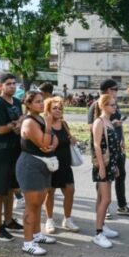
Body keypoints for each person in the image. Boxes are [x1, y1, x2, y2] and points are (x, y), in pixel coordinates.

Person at [17, 91, 58, 255]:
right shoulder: (29, 122)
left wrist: (52, 144)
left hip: (43, 164)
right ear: (28, 104)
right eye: (37, 102)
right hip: (30, 165)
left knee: (38, 203)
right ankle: (27, 243)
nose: (41, 104)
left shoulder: (41, 118)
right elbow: (43, 141)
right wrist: (48, 128)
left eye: (42, 101)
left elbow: (52, 140)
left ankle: (37, 234)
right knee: (31, 205)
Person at [88, 79, 129, 216]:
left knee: (120, 175)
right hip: (104, 151)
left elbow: (118, 124)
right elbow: (93, 128)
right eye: (114, 89)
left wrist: (122, 139)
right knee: (103, 179)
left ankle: (122, 205)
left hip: (117, 147)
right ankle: (104, 208)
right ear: (107, 90)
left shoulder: (114, 105)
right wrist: (109, 124)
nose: (117, 91)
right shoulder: (96, 105)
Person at [0, 73, 24, 241]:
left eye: (14, 83)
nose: (12, 86)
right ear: (0, 86)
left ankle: (9, 220)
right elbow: (0, 129)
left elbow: (21, 123)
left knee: (11, 188)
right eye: (8, 84)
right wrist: (16, 124)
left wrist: (17, 124)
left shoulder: (17, 102)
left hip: (15, 151)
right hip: (0, 152)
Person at [43, 96, 80, 234]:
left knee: (70, 190)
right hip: (51, 164)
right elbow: (44, 144)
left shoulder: (63, 123)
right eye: (55, 108)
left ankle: (67, 219)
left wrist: (72, 139)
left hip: (65, 164)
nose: (58, 110)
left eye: (60, 108)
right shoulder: (45, 125)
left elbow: (68, 138)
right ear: (48, 110)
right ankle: (49, 220)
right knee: (50, 192)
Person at [91, 94, 122, 248]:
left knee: (101, 198)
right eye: (111, 105)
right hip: (102, 166)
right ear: (103, 106)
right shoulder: (99, 122)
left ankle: (102, 226)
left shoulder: (109, 122)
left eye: (115, 105)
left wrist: (114, 166)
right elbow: (97, 145)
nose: (114, 107)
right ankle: (98, 234)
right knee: (106, 199)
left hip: (110, 164)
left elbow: (112, 147)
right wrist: (102, 167)